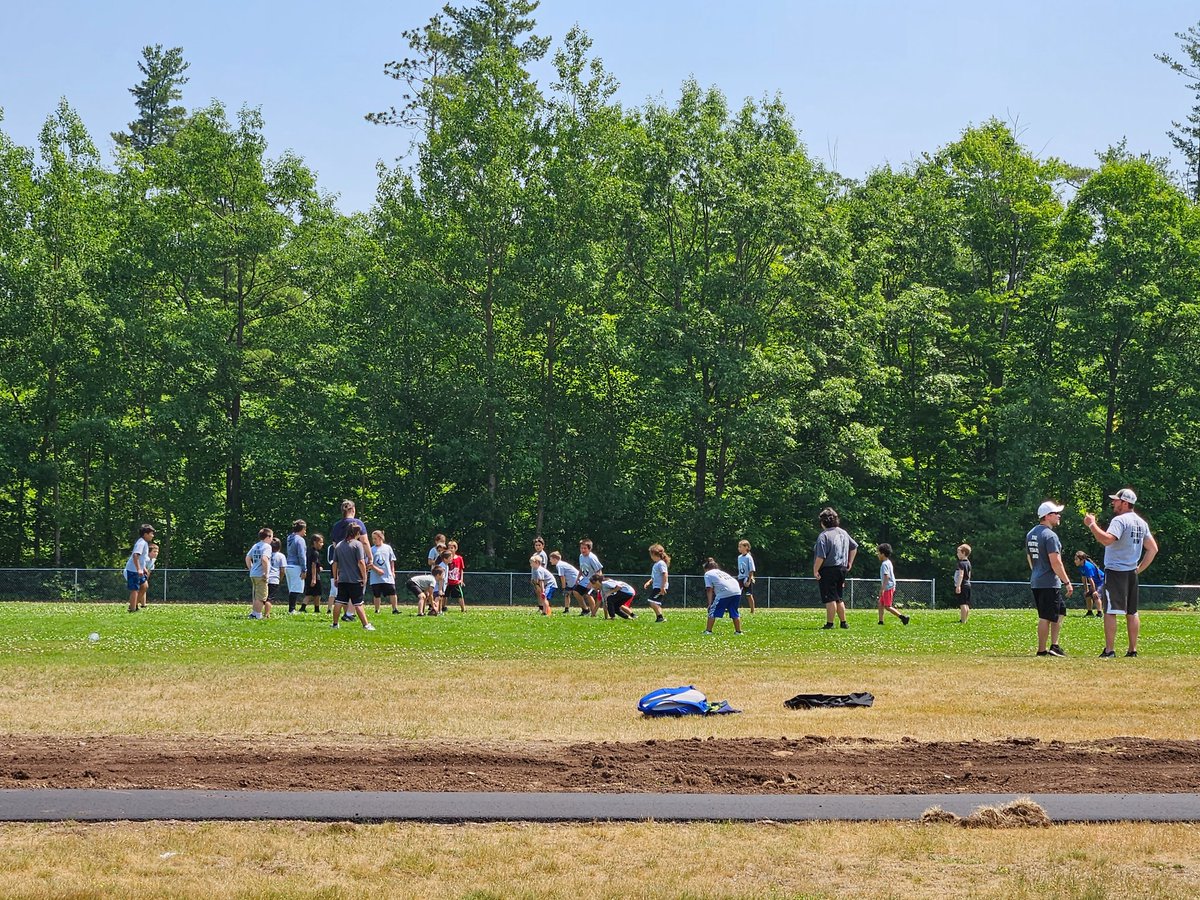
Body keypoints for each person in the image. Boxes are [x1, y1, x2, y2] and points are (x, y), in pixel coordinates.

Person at [1084, 488, 1158, 659]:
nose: (1113, 503)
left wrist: (1091, 524)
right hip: (1131, 572)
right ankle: (1132, 650)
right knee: (1132, 612)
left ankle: (1109, 650)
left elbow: (1106, 540)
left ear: (1125, 503)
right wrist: (1138, 569)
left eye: (1116, 500)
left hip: (1116, 571)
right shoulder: (1141, 523)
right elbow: (1153, 549)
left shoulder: (1120, 520)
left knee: (1110, 611)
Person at [1026, 501, 1073, 657]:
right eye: (1056, 513)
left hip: (1037, 580)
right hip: (1048, 582)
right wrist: (1066, 582)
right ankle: (1041, 650)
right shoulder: (1050, 535)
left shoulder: (1031, 533)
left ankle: (1054, 645)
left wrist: (1036, 573)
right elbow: (1056, 562)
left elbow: (1029, 558)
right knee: (1045, 616)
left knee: (1061, 611)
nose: (1059, 516)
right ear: (1047, 516)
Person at [813, 507, 858, 629]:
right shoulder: (843, 532)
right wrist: (850, 562)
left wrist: (815, 570)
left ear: (823, 522)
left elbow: (821, 556)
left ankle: (830, 623)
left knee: (830, 598)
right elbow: (854, 547)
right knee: (838, 597)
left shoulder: (824, 535)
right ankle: (843, 622)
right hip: (842, 569)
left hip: (828, 569)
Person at [330, 523, 374, 630]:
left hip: (342, 579)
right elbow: (361, 562)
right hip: (355, 579)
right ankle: (366, 625)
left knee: (339, 602)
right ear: (357, 533)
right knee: (358, 603)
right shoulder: (357, 545)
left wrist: (336, 577)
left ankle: (335, 624)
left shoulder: (339, 545)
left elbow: (335, 563)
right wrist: (364, 577)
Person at [703, 558, 744, 635]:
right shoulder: (721, 572)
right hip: (737, 591)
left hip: (725, 592)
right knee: (734, 611)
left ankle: (708, 631)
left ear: (706, 569)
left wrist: (709, 603)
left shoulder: (708, 574)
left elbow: (709, 589)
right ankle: (738, 631)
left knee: (712, 611)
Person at [876, 543, 909, 626]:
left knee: (887, 606)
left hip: (888, 587)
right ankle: (880, 621)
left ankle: (903, 617)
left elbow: (886, 577)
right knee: (880, 603)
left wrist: (882, 589)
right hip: (888, 586)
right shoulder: (888, 562)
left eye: (878, 553)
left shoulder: (884, 564)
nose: (878, 555)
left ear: (883, 554)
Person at [125, 524, 155, 613]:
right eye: (151, 534)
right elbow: (135, 555)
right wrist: (139, 569)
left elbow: (142, 559)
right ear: (145, 534)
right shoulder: (141, 543)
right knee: (135, 589)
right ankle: (133, 609)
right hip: (133, 570)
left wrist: (144, 568)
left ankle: (133, 605)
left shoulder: (144, 543)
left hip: (139, 569)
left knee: (145, 586)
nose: (152, 536)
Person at [245, 527, 273, 620]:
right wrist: (265, 573)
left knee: (256, 595)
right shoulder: (267, 546)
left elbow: (248, 558)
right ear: (268, 537)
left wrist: (251, 568)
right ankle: (257, 615)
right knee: (261, 597)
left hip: (253, 574)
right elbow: (264, 559)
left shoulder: (256, 545)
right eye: (272, 537)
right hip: (261, 575)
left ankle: (254, 613)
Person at [368, 530, 398, 614]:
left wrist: (392, 571)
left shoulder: (387, 548)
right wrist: (377, 570)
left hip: (387, 576)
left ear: (380, 538)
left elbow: (392, 560)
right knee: (376, 594)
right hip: (375, 576)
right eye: (373, 539)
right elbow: (369, 563)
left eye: (375, 538)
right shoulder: (371, 549)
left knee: (392, 592)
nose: (373, 540)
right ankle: (377, 610)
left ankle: (394, 609)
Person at [642, 543, 669, 622]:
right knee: (655, 602)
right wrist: (649, 582)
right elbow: (655, 576)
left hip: (660, 586)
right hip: (657, 586)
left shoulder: (661, 563)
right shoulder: (656, 564)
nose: (650, 556)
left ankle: (660, 617)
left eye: (651, 554)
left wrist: (663, 587)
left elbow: (665, 574)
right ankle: (659, 618)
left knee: (651, 601)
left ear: (654, 554)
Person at [285, 520, 307, 614]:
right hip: (296, 566)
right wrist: (304, 569)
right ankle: (292, 609)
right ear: (301, 529)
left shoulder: (290, 537)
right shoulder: (300, 539)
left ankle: (291, 608)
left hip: (288, 565)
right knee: (296, 588)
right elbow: (301, 555)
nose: (305, 531)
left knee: (292, 588)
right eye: (305, 529)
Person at [1074, 551, 1105, 618]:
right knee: (1087, 595)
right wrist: (1086, 590)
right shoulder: (1080, 566)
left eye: (1076, 559)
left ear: (1082, 560)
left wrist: (1094, 591)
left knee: (1096, 595)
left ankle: (1099, 613)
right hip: (1094, 583)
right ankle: (1089, 612)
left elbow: (1090, 580)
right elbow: (1084, 578)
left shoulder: (1087, 567)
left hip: (1101, 581)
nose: (1075, 561)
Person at [577, 538, 604, 617]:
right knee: (576, 592)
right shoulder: (581, 556)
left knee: (588, 595)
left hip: (594, 580)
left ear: (589, 549)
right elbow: (581, 568)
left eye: (585, 548)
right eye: (581, 548)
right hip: (585, 579)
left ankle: (593, 613)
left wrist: (593, 583)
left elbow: (599, 571)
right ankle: (585, 610)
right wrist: (578, 578)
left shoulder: (592, 558)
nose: (583, 550)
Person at [302, 533, 325, 613]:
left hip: (308, 574)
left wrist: (319, 567)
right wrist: (314, 579)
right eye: (320, 542)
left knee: (310, 593)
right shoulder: (315, 553)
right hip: (313, 575)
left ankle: (303, 608)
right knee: (317, 594)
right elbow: (313, 565)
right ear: (315, 542)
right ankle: (316, 609)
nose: (322, 544)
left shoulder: (308, 551)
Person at [267, 538, 287, 617]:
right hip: (274, 579)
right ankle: (267, 614)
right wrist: (280, 578)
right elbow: (282, 570)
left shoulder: (266, 554)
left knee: (262, 598)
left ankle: (258, 613)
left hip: (264, 578)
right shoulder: (281, 556)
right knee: (270, 598)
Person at [446, 540, 467, 612]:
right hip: (447, 581)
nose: (450, 549)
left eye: (452, 548)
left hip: (456, 581)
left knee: (460, 596)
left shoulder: (459, 558)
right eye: (449, 548)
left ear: (455, 549)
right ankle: (442, 608)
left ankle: (463, 609)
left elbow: (461, 570)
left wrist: (461, 580)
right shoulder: (446, 558)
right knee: (444, 595)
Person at [953, 543, 972, 623]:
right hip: (968, 584)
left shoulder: (961, 563)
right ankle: (964, 619)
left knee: (962, 604)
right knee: (966, 603)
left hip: (963, 585)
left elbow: (961, 575)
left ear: (963, 553)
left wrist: (958, 586)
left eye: (959, 552)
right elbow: (969, 574)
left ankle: (963, 621)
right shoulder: (968, 563)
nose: (957, 554)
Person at [737, 539, 757, 613]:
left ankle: (752, 611)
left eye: (740, 546)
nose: (739, 548)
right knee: (737, 593)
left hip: (747, 578)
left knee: (749, 595)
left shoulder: (749, 557)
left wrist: (749, 580)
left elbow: (751, 569)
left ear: (746, 547)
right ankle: (734, 608)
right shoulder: (739, 557)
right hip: (740, 578)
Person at [138, 543, 159, 609]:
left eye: (157, 552)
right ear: (148, 552)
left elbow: (149, 571)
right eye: (154, 551)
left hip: (142, 574)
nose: (156, 553)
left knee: (144, 587)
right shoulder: (144, 558)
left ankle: (143, 605)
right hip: (133, 573)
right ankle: (134, 604)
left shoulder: (153, 560)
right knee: (137, 588)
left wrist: (146, 579)